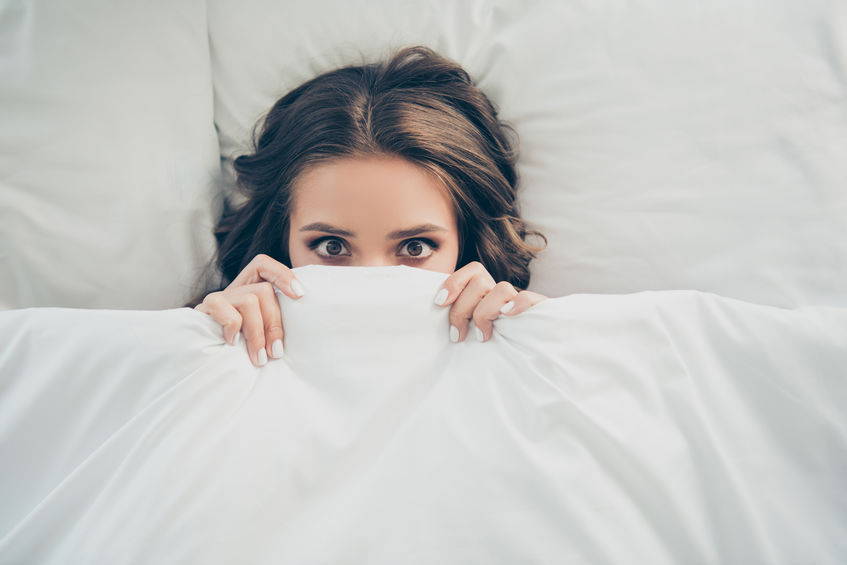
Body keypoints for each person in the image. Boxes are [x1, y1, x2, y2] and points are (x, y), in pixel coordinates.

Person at [187, 45, 549, 368]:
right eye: (332, 246)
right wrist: (197, 349)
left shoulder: (526, 354)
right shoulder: (207, 347)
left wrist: (539, 347)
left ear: (466, 245)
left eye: (415, 247)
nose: (370, 284)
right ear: (281, 242)